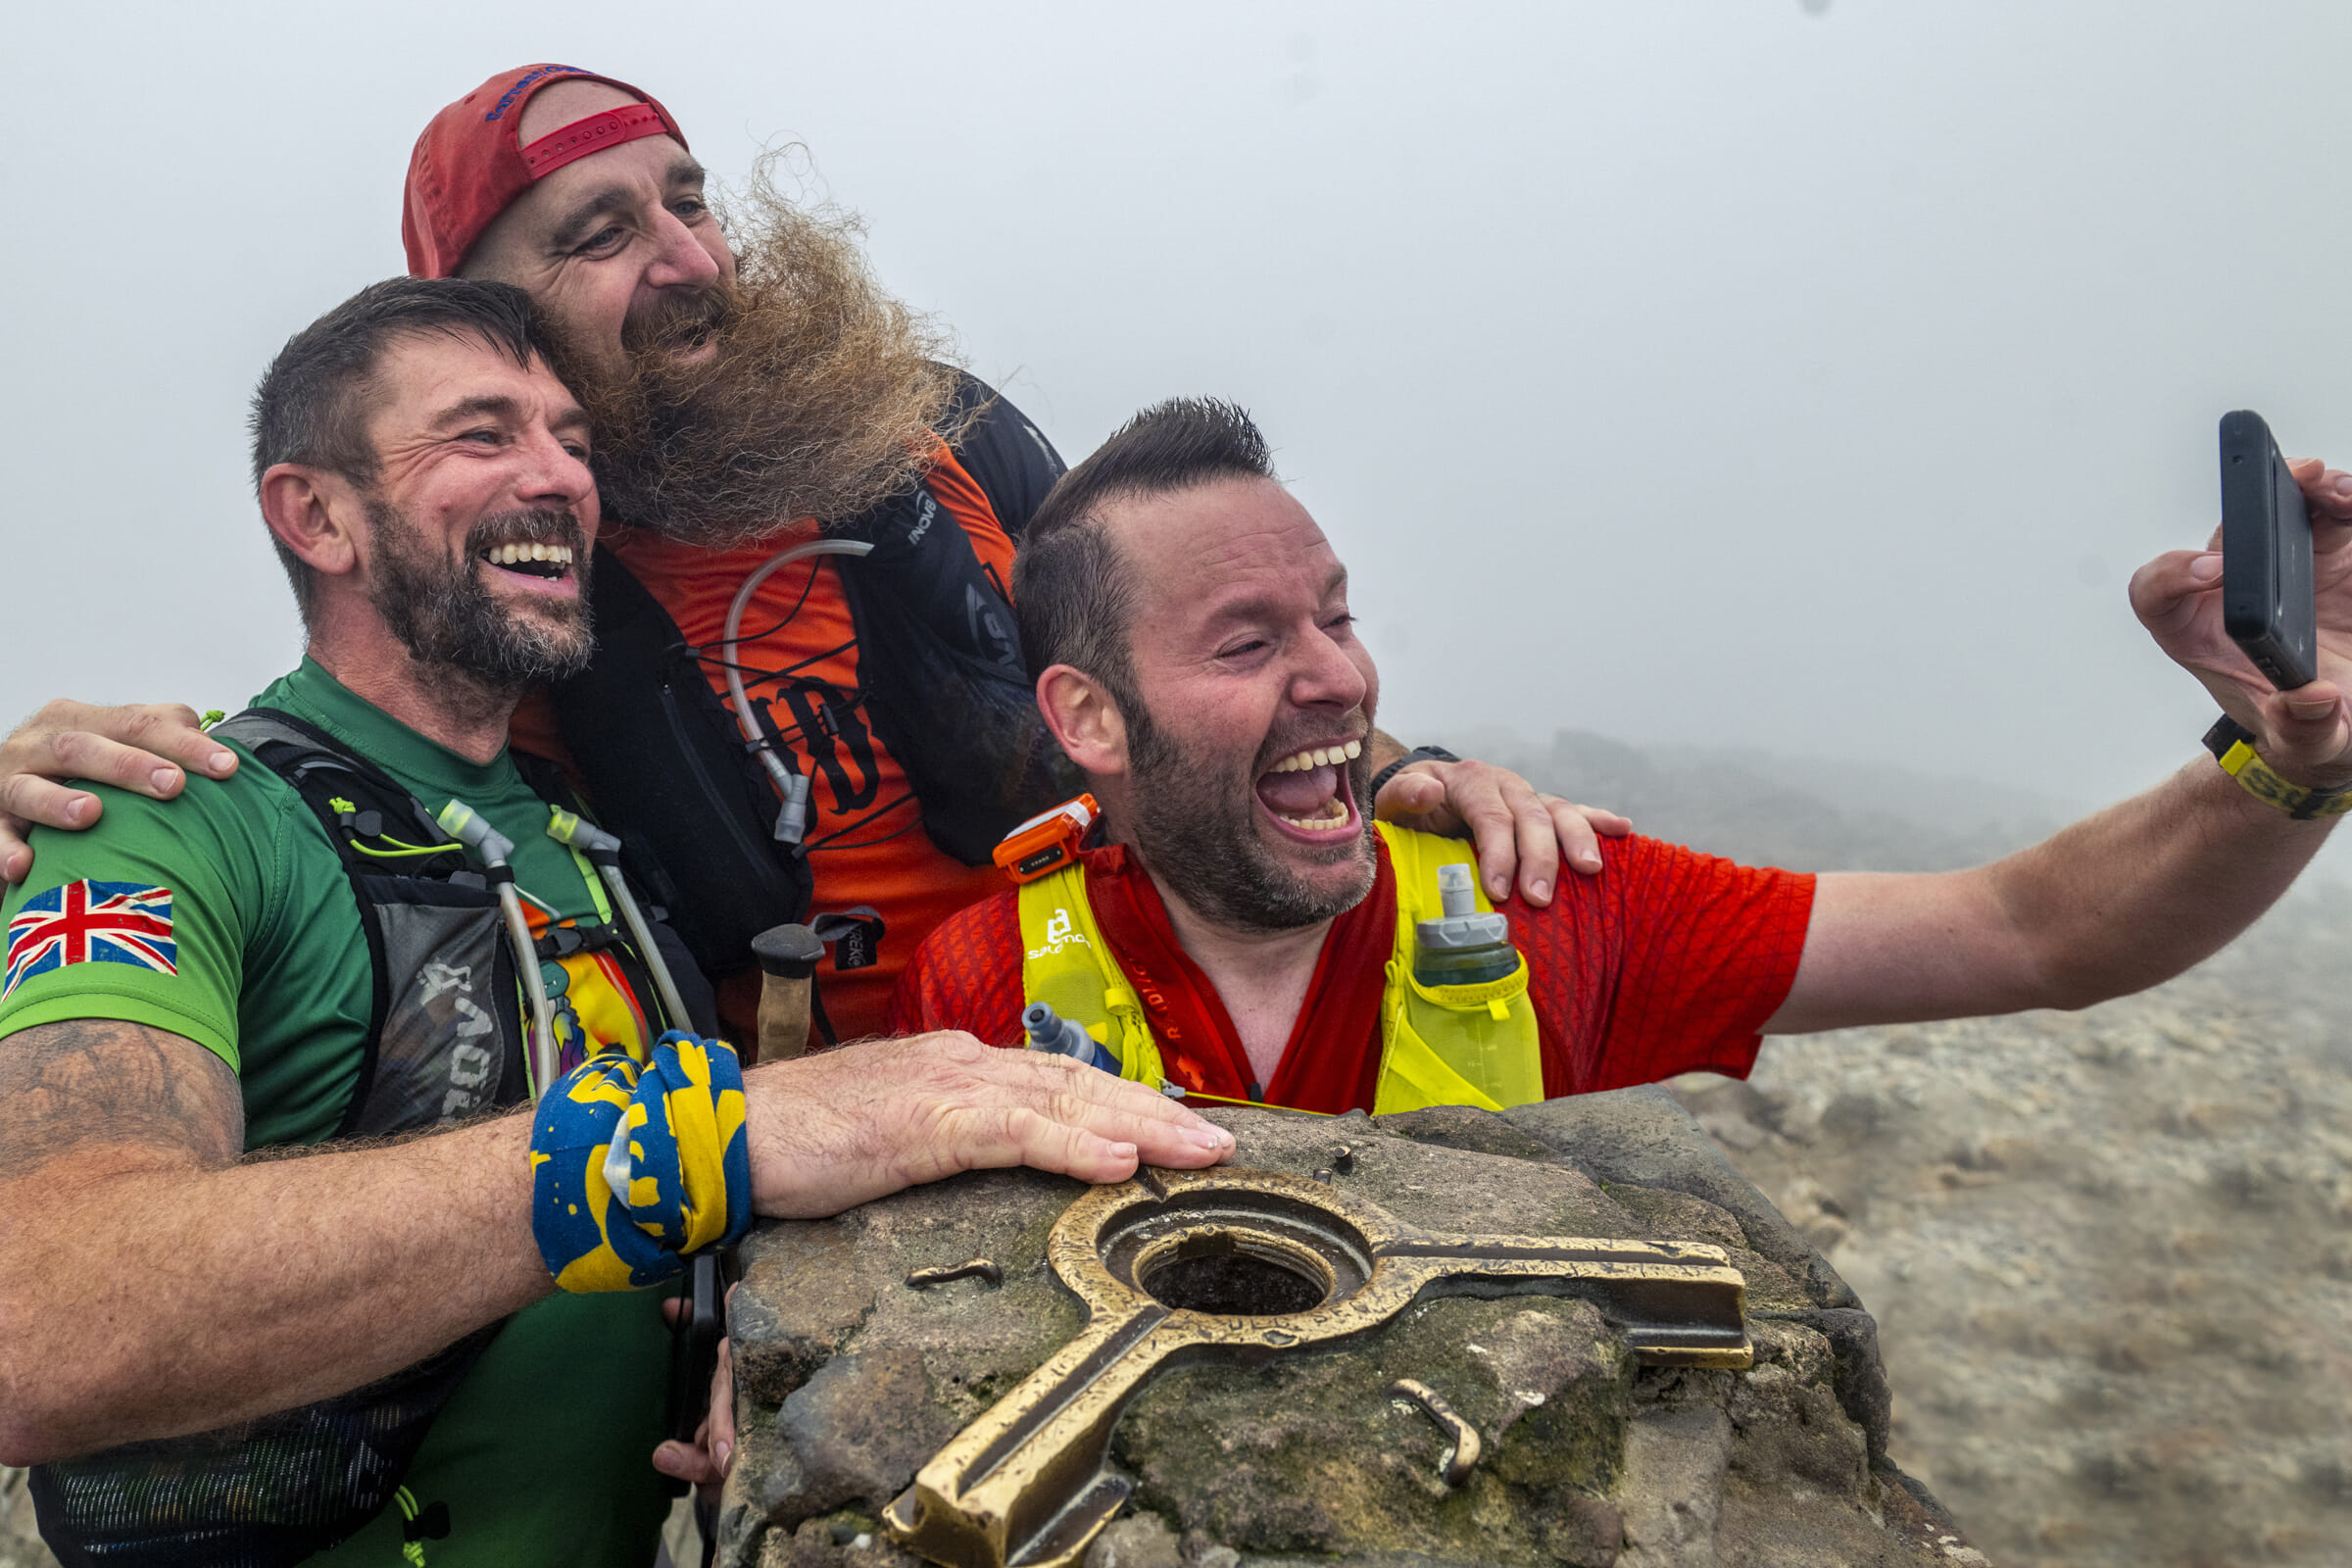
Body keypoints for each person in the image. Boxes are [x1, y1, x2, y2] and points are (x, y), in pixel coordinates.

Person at [0, 279, 1233, 1568]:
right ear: (316, 513)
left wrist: (756, 1341)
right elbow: (45, 1319)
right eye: (482, 435)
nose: (560, 480)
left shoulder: (578, 814)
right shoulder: (170, 816)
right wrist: (722, 1134)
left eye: (573, 444)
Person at [0, 63, 1614, 1045]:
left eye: (687, 203)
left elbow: (1194, 671)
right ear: (492, 320)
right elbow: (349, 758)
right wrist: (60, 780)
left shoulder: (946, 440)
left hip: (1142, 1045)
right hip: (796, 1162)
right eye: (601, 234)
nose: (692, 259)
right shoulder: (515, 578)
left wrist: (1397, 765)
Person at [891, 398, 2352, 1111]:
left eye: (1337, 616)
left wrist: (2292, 761)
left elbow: (2029, 933)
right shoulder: (974, 982)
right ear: (1087, 719)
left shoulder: (1547, 902)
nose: (1340, 678)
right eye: (1248, 641)